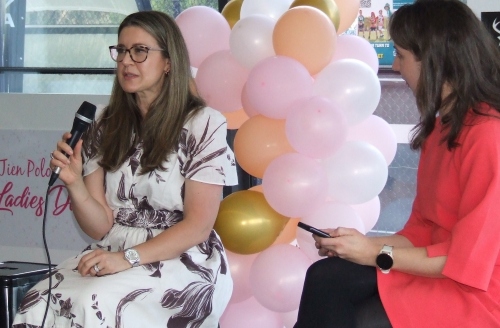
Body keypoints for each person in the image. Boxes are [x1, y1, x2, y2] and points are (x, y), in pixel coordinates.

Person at [13, 10, 238, 328]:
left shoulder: (203, 123)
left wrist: (127, 259)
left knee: (95, 303)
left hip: (181, 257)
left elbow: (199, 226)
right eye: (121, 51)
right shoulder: (104, 123)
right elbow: (100, 227)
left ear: (169, 62)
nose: (127, 61)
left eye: (140, 51)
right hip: (114, 248)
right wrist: (74, 182)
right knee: (37, 302)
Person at [294, 0, 500, 327]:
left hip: (473, 292)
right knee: (327, 276)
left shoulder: (488, 136)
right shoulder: (442, 129)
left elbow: (467, 262)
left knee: (363, 317)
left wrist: (374, 254)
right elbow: (419, 230)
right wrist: (357, 245)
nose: (396, 65)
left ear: (434, 61)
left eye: (401, 55)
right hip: (437, 270)